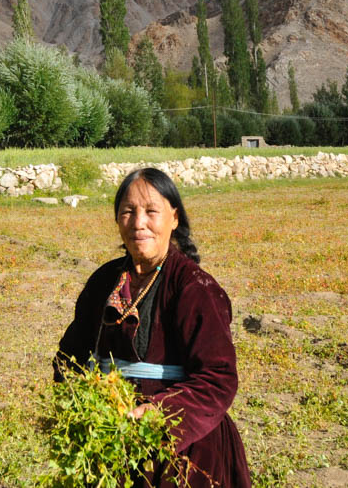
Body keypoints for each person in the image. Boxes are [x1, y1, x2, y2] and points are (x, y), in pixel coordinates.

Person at [54, 167, 251, 487]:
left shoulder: (195, 288)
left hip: (186, 453)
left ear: (174, 218)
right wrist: (79, 409)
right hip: (110, 441)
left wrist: (158, 414)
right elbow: (70, 356)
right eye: (128, 211)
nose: (138, 222)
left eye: (151, 211)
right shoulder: (104, 282)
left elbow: (218, 377)